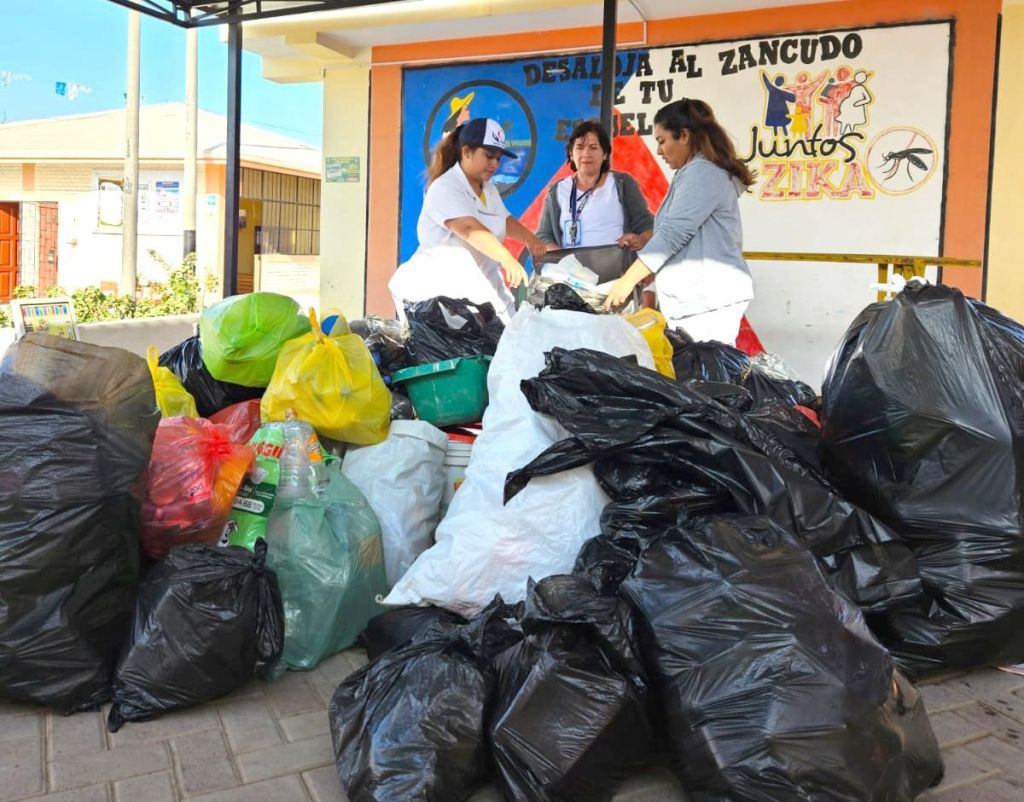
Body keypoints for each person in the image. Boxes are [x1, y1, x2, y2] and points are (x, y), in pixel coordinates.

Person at [603, 98, 756, 345]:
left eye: (662, 141)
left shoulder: (703, 173)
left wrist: (626, 282)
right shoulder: (692, 172)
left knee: (704, 380)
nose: (659, 150)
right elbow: (677, 228)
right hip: (695, 302)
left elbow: (673, 235)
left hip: (707, 304)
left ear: (684, 136)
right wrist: (644, 239)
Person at [389, 118, 552, 323]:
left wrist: (531, 239)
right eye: (489, 156)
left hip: (482, 287)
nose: (494, 164)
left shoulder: (488, 189)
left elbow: (504, 219)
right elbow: (468, 229)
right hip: (441, 295)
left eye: (498, 158)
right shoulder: (445, 187)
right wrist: (507, 259)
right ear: (466, 152)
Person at [536, 120, 653, 250]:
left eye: (593, 147)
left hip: (615, 267)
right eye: (580, 147)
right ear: (571, 154)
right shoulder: (557, 190)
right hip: (570, 268)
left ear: (605, 154)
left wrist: (640, 240)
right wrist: (558, 258)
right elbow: (543, 235)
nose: (586, 154)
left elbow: (648, 226)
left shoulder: (623, 184)